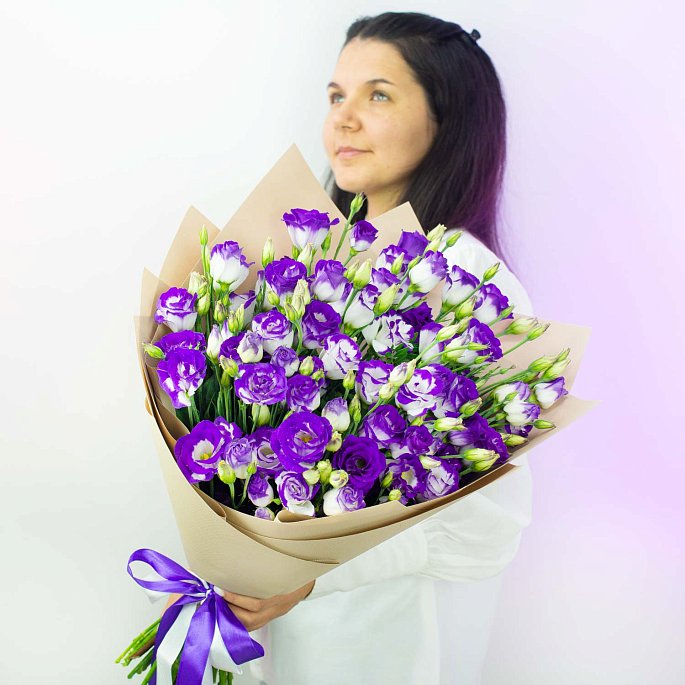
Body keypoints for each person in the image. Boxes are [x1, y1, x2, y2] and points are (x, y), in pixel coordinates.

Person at [168, 11, 535, 684]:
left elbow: (488, 531)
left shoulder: (472, 289)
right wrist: (230, 566)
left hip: (372, 649)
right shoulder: (294, 263)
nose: (343, 117)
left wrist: (311, 574)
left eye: (378, 95)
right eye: (336, 95)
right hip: (255, 634)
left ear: (446, 119)